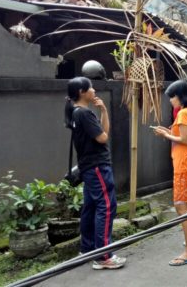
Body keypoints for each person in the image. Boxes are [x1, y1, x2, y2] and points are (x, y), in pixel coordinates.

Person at [64, 77, 126, 270]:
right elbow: (103, 138)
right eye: (90, 88)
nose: (94, 91)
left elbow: (102, 135)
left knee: (90, 207)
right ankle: (103, 255)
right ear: (82, 92)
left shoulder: (76, 112)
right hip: (97, 166)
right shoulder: (84, 114)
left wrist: (104, 110)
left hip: (88, 167)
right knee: (107, 206)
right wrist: (102, 113)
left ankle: (88, 249)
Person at [153, 80, 187, 267]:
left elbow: (184, 139)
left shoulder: (183, 112)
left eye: (172, 97)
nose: (171, 101)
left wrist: (165, 135)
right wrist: (167, 131)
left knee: (182, 207)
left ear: (180, 96)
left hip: (186, 164)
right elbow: (185, 136)